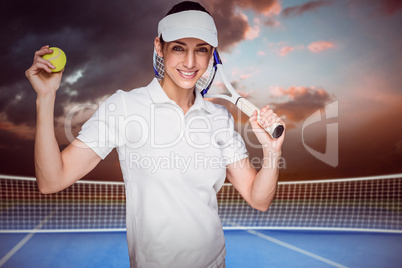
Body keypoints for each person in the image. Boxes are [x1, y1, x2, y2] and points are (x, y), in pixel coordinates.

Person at [25, 1, 285, 267]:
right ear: (159, 48)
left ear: (211, 56)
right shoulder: (124, 107)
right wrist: (46, 97)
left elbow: (259, 199)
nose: (190, 61)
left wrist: (272, 151)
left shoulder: (220, 119)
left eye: (201, 50)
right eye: (178, 48)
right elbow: (51, 181)